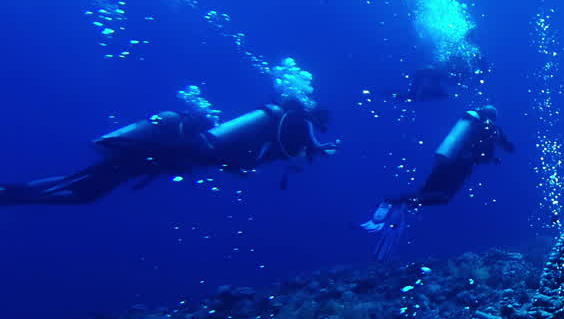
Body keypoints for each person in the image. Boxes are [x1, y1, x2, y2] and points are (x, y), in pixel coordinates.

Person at [0, 101, 335, 206]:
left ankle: (16, 194)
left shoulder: (280, 120)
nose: (318, 128)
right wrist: (315, 148)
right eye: (321, 123)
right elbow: (290, 148)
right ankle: (15, 196)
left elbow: (245, 153)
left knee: (86, 182)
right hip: (178, 153)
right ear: (313, 115)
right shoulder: (296, 121)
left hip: (177, 153)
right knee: (87, 190)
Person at [361, 105, 514, 260]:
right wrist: (494, 155)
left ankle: (397, 206)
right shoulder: (492, 128)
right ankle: (396, 200)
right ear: (494, 117)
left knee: (424, 193)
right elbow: (503, 149)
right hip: (460, 167)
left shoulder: (470, 122)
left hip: (443, 161)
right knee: (444, 197)